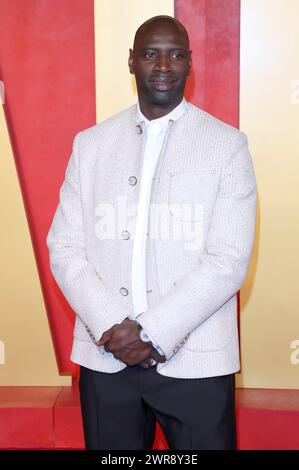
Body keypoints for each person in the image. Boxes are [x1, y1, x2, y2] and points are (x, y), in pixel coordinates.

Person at [47, 15, 256, 450]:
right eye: (150, 54)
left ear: (190, 64)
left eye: (176, 54)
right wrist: (112, 326)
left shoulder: (227, 144)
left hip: (196, 362)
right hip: (106, 361)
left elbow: (227, 260)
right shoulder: (91, 145)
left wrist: (150, 333)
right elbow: (65, 248)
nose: (163, 66)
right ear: (131, 62)